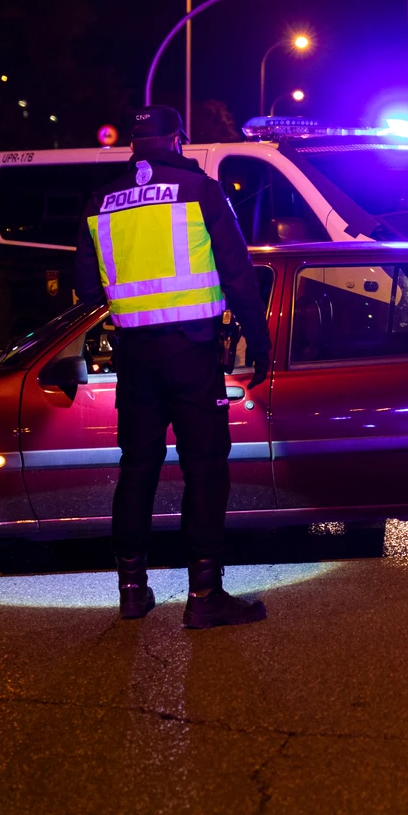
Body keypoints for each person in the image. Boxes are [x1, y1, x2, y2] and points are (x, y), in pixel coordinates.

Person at [74, 105, 272, 629]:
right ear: (177, 140)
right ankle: (204, 595)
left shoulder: (101, 200)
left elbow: (88, 289)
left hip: (134, 358)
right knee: (205, 469)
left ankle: (132, 592)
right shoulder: (201, 190)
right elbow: (238, 273)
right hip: (191, 353)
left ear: (135, 145)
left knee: (137, 469)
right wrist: (260, 340)